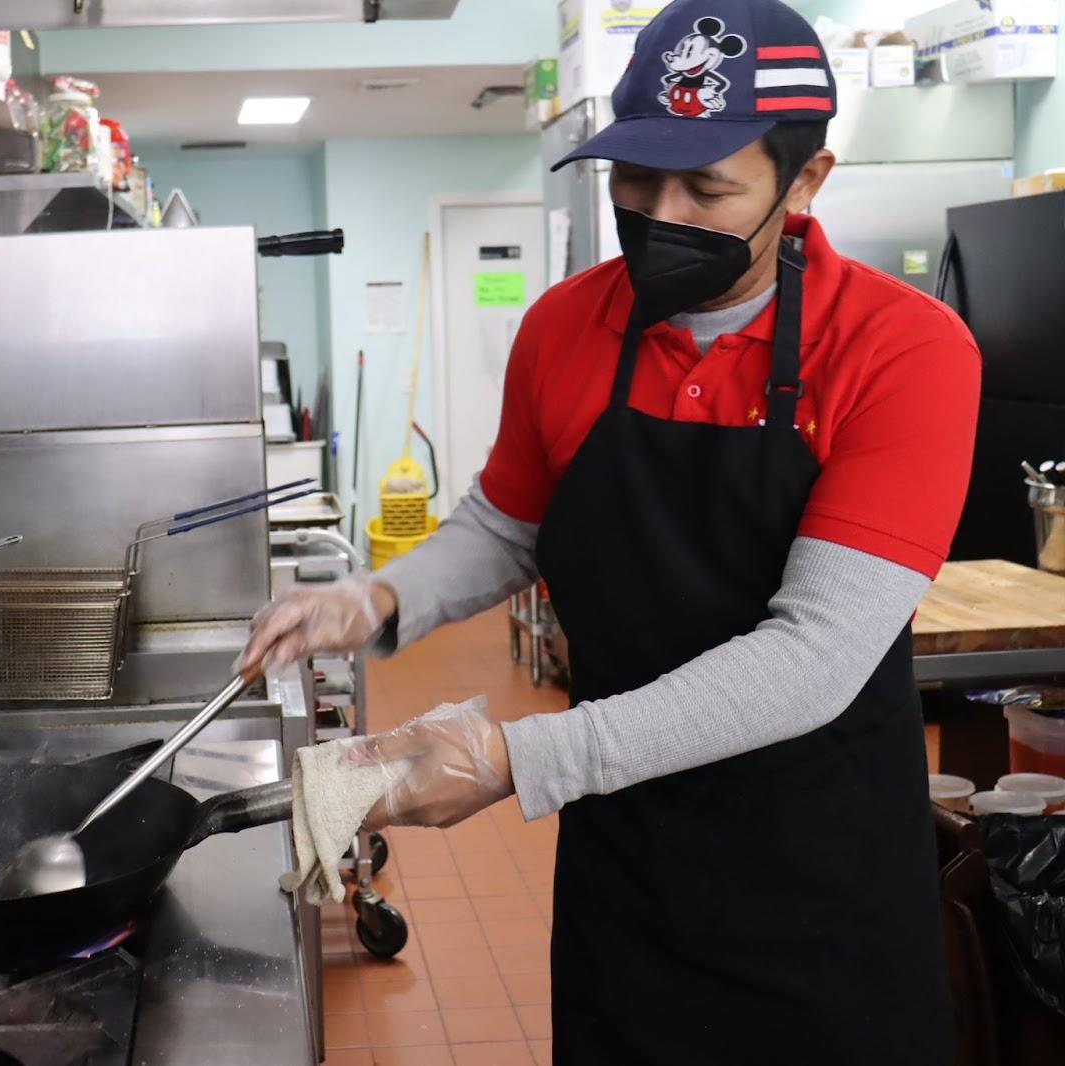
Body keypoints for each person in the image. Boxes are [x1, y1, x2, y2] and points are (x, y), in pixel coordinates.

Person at [237, 0, 979, 1061]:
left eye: (706, 188)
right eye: (634, 177)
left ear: (805, 181)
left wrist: (511, 756)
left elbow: (813, 656)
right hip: (626, 864)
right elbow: (508, 523)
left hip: (820, 876)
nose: (659, 212)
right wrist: (378, 598)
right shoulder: (565, 324)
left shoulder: (903, 350)